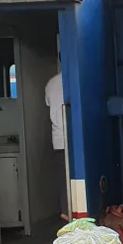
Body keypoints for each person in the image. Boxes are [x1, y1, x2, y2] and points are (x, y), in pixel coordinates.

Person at [44, 63, 70, 222]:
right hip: (73, 136)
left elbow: (48, 104)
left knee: (63, 177)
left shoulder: (51, 83)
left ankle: (65, 209)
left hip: (58, 137)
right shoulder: (74, 81)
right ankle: (71, 212)